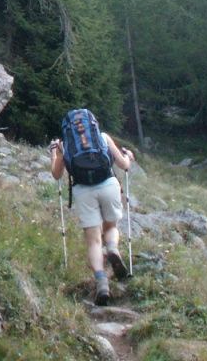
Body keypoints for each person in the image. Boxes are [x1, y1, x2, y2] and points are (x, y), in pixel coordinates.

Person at [49, 119, 133, 306]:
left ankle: (101, 283)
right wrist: (129, 157)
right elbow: (123, 164)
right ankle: (112, 248)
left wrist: (54, 152)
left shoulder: (64, 145)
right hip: (108, 184)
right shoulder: (103, 137)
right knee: (111, 227)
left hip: (83, 190)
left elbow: (56, 174)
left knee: (94, 241)